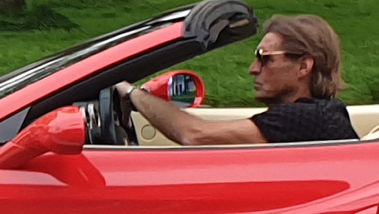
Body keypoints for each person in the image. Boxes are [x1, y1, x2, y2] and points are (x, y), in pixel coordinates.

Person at [124, 14, 357, 144]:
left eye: (265, 59)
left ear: (303, 66)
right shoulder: (321, 114)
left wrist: (132, 93)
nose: (252, 69)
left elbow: (195, 135)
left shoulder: (304, 119)